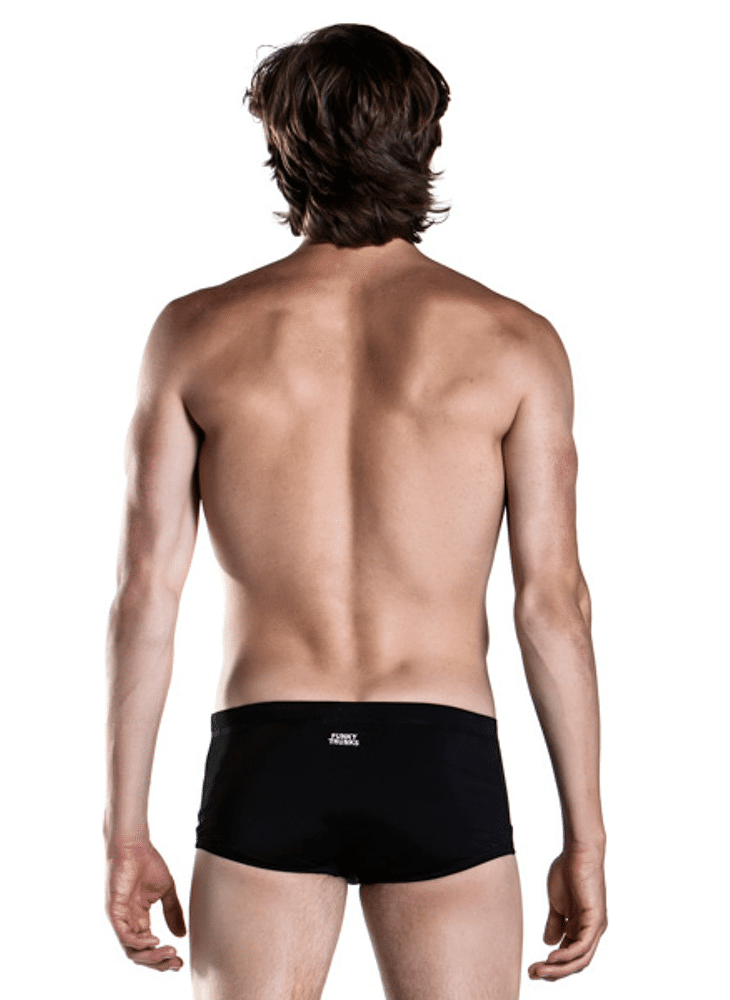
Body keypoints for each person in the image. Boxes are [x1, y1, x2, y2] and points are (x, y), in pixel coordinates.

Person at [103, 22, 607, 998]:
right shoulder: (515, 342)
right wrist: (584, 837)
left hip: (269, 751)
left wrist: (125, 833)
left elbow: (144, 595)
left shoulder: (195, 333)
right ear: (426, 141)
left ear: (281, 146)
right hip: (440, 753)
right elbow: (554, 603)